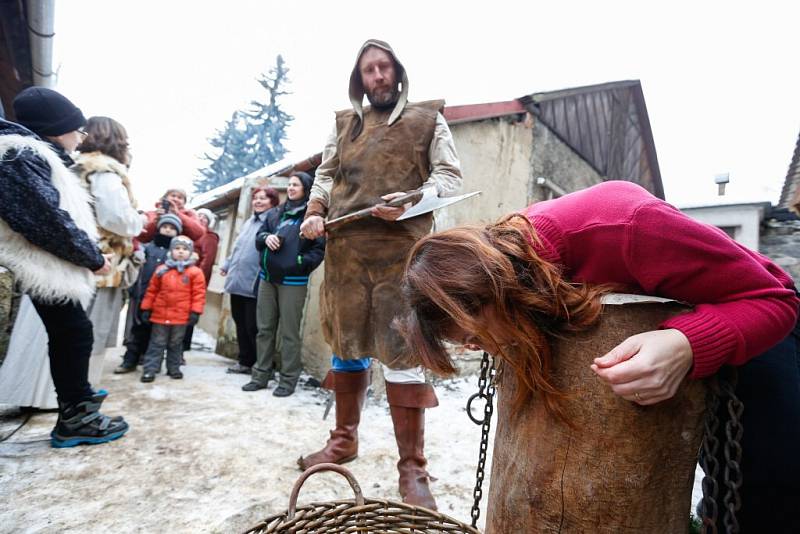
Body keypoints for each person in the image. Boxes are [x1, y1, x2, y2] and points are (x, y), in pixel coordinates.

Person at [401, 180, 800, 532]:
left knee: (768, 493)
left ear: (488, 291)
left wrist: (686, 344)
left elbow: (777, 298)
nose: (479, 349)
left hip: (756, 328)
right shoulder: (517, 276)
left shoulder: (627, 225)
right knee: (717, 493)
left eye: (474, 337)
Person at [298, 39, 462, 509]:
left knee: (403, 353)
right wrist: (314, 209)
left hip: (402, 254)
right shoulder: (343, 124)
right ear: (360, 79)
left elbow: (449, 178)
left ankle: (412, 468)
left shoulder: (427, 119)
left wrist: (413, 200)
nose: (378, 77)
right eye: (369, 70)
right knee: (346, 345)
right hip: (346, 253)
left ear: (398, 71)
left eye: (384, 67)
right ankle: (343, 440)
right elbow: (326, 176)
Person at [0, 87, 128, 447]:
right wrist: (92, 256)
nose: (80, 138)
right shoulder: (22, 155)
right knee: (73, 334)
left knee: (73, 333)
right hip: (43, 264)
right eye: (78, 130)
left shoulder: (32, 155)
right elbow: (46, 219)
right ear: (57, 128)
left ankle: (78, 405)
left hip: (48, 262)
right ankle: (76, 416)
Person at [74, 116, 145, 381]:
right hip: (102, 262)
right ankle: (83, 389)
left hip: (79, 257)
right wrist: (140, 220)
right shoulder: (104, 170)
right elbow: (116, 218)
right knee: (93, 330)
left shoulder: (78, 166)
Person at [243, 172, 325, 396]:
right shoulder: (275, 213)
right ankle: (261, 375)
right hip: (267, 279)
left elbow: (319, 250)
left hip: (293, 281)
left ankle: (288, 381)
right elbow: (259, 237)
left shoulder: (309, 217)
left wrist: (299, 262)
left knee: (289, 333)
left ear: (305, 189)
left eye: (295, 185)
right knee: (264, 330)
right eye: (289, 185)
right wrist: (265, 238)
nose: (290, 188)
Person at [220, 186, 279, 375]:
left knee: (254, 326)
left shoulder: (273, 221)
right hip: (237, 280)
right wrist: (227, 264)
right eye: (256, 198)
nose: (258, 201)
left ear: (273, 202)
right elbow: (238, 247)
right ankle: (245, 361)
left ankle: (262, 365)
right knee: (240, 323)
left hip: (255, 282)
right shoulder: (248, 222)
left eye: (263, 198)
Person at [116, 214, 182, 373]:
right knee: (136, 329)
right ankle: (129, 360)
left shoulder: (175, 255)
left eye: (172, 228)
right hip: (141, 294)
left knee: (155, 332)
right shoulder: (146, 248)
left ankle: (149, 361)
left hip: (162, 300)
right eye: (165, 226)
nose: (168, 230)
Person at [139, 235, 206, 382]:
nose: (180, 252)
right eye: (177, 248)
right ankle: (150, 369)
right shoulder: (161, 270)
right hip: (160, 314)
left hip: (181, 317)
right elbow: (152, 290)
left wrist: (195, 312)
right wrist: (146, 308)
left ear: (190, 252)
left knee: (175, 344)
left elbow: (199, 294)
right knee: (157, 342)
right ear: (171, 251)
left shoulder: (195, 272)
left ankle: (174, 368)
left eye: (184, 249)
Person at [182, 207, 219, 352]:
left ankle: (183, 347)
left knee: (190, 313)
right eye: (199, 216)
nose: (202, 219)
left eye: (205, 217)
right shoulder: (190, 235)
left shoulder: (210, 237)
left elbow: (207, 260)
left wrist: (198, 279)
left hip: (195, 280)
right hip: (182, 280)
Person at [138, 188, 205, 243]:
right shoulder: (151, 214)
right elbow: (143, 238)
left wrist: (178, 214)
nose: (175, 199)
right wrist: (157, 219)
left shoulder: (189, 214)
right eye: (173, 196)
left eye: (180, 198)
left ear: (184, 203)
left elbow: (199, 233)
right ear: (165, 198)